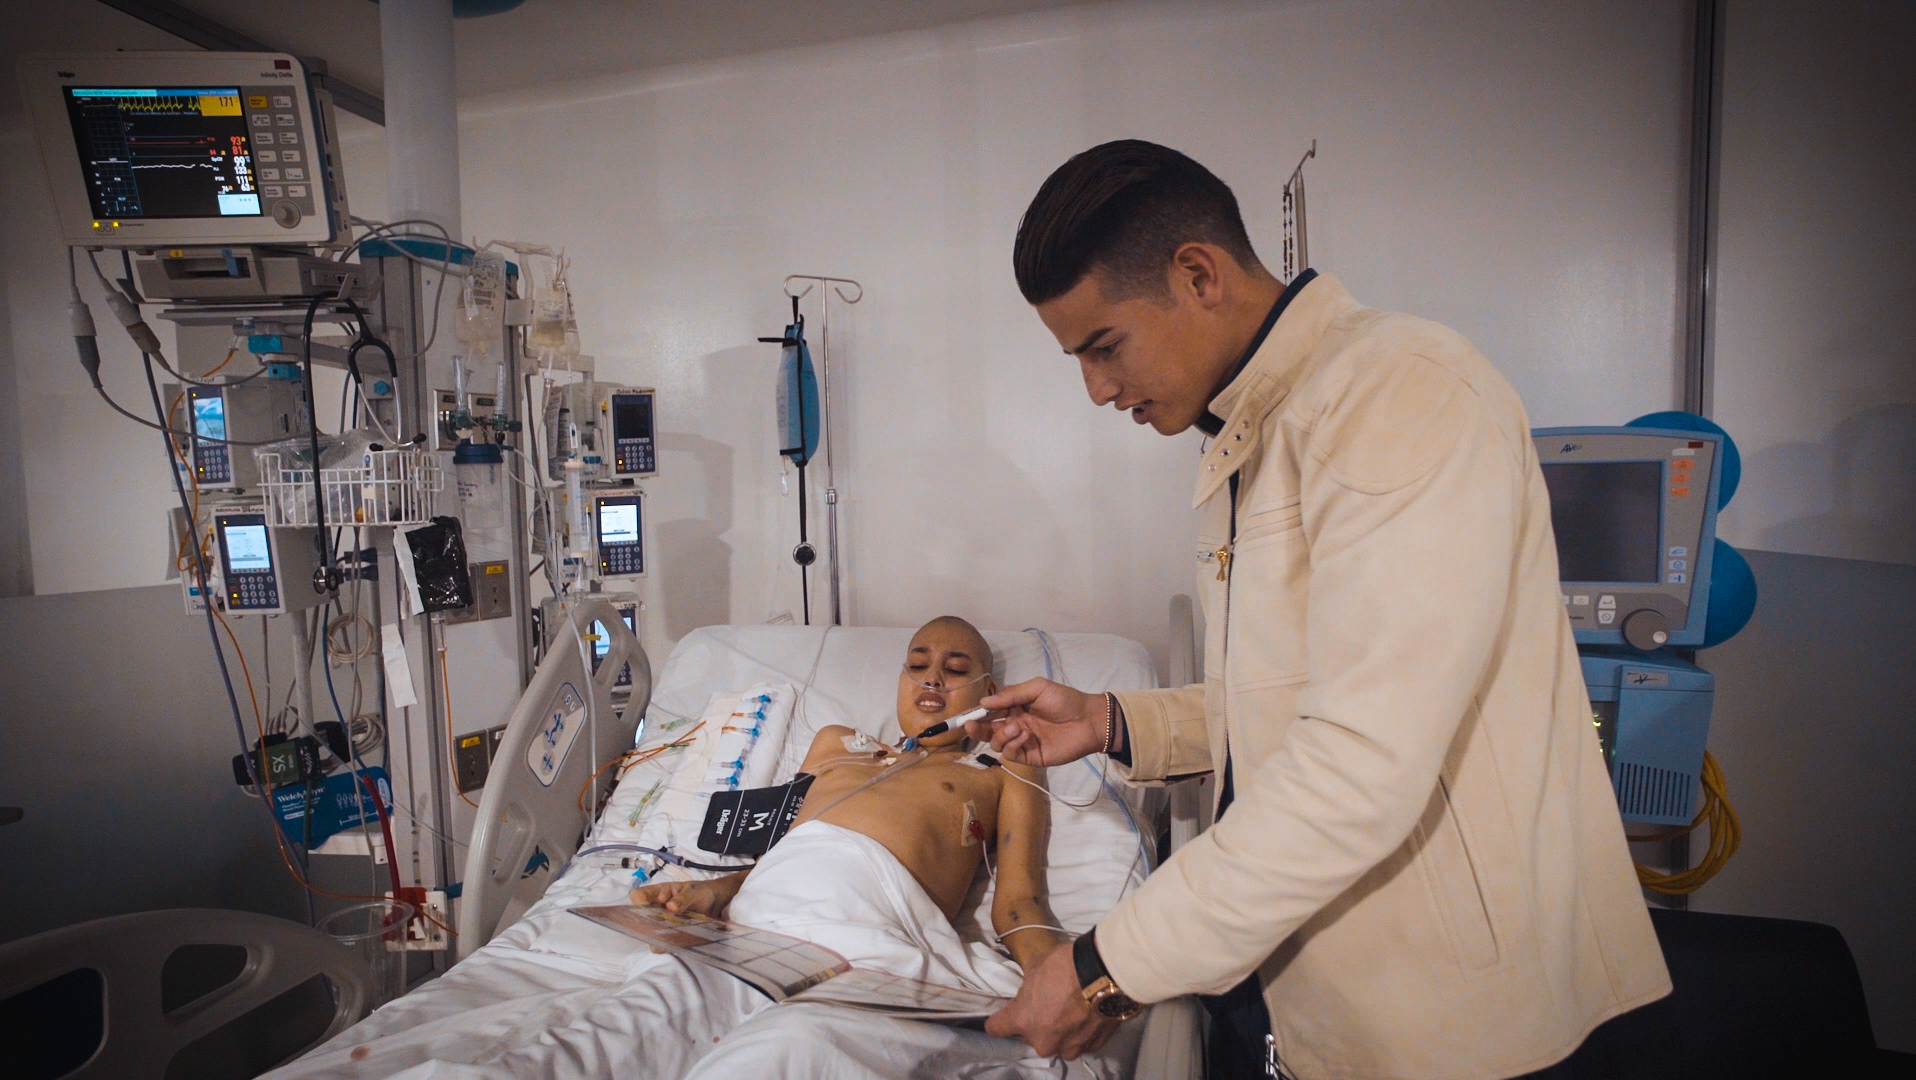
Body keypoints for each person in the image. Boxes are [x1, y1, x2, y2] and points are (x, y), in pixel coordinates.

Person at [966, 140, 1672, 1079]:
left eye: (1104, 347)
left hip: (1448, 1021)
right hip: (1312, 980)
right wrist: (1110, 721)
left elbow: (1358, 762)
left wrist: (1103, 967)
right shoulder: (1253, 429)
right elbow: (1288, 703)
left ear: (1198, 275)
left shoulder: (1398, 393)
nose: (1097, 389)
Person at [631, 615, 1068, 979]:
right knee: (639, 1018)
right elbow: (778, 858)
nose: (932, 678)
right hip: (752, 920)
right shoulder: (835, 742)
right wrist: (712, 892)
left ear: (989, 694)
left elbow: (1019, 904)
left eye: (954, 670)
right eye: (917, 665)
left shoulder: (1003, 767)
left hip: (866, 938)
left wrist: (1060, 982)